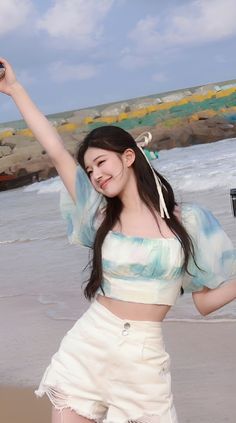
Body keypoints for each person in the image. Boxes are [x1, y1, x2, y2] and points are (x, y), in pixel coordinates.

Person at [0, 57, 235, 423]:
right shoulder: (100, 217)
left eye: (101, 163)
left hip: (144, 358)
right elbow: (57, 152)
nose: (95, 174)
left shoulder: (189, 222)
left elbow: (205, 302)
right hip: (90, 343)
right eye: (90, 169)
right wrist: (14, 89)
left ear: (128, 156)